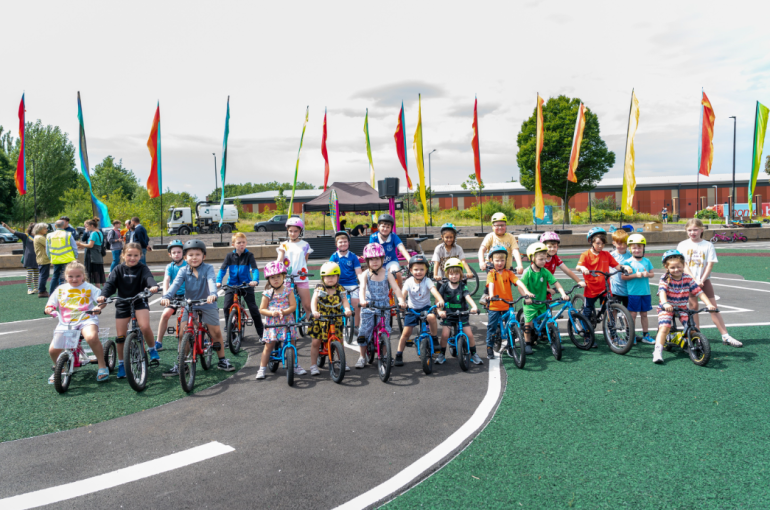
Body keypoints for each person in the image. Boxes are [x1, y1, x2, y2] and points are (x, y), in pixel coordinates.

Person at [160, 239, 235, 371]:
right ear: (185, 257)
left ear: (203, 256)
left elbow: (212, 281)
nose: (194, 258)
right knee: (184, 333)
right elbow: (175, 284)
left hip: (207, 303)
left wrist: (213, 294)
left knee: (216, 332)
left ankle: (222, 360)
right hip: (190, 304)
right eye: (190, 255)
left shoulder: (208, 268)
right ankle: (182, 364)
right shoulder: (183, 270)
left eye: (197, 254)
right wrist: (166, 296)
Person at [97, 243, 160, 379]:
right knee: (120, 337)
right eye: (129, 255)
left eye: (136, 255)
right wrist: (104, 295)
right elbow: (110, 284)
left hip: (139, 301)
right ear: (123, 255)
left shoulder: (142, 268)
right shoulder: (118, 269)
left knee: (144, 326)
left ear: (140, 256)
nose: (132, 258)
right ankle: (121, 364)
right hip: (123, 303)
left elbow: (148, 278)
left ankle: (152, 348)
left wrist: (153, 286)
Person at [677, 218, 742, 347]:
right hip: (689, 281)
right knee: (693, 308)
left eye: (695, 229)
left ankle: (725, 336)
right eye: (690, 230)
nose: (693, 232)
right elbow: (683, 264)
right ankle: (697, 334)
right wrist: (694, 280)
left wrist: (701, 279)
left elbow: (709, 265)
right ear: (686, 231)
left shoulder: (708, 245)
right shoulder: (682, 245)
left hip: (704, 281)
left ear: (702, 230)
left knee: (713, 307)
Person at [44, 261, 110, 383]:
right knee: (53, 350)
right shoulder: (60, 289)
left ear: (83, 276)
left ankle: (102, 365)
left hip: (86, 319)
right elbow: (51, 303)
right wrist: (49, 308)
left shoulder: (89, 288)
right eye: (70, 276)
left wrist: (98, 307)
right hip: (66, 322)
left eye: (78, 276)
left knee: (91, 337)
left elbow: (102, 300)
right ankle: (61, 370)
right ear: (65, 276)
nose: (74, 279)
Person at [653, 250, 717, 364]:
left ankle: (696, 344)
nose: (676, 270)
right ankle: (658, 351)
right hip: (666, 307)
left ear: (683, 265)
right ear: (666, 267)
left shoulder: (687, 278)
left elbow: (699, 292)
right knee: (664, 327)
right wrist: (665, 303)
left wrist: (709, 304)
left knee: (692, 327)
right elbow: (662, 291)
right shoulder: (665, 278)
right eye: (672, 267)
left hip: (682, 307)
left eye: (679, 267)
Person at [575, 227, 631, 345]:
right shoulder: (585, 255)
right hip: (591, 289)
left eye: (603, 243)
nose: (601, 246)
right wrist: (583, 268)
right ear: (591, 242)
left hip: (605, 288)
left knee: (609, 311)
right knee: (587, 312)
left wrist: (624, 268)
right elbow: (578, 266)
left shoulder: (606, 254)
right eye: (598, 243)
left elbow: (616, 265)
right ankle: (587, 335)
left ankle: (613, 336)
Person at [357, 243, 405, 369]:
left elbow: (395, 288)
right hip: (368, 304)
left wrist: (401, 300)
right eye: (371, 259)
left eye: (377, 258)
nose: (375, 262)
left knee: (386, 330)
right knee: (364, 331)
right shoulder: (365, 274)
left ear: (382, 259)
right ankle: (362, 357)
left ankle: (384, 355)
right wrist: (362, 300)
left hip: (383, 306)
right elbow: (362, 288)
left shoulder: (387, 273)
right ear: (367, 260)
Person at [394, 255, 444, 367]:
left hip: (425, 308)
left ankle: (434, 338)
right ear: (410, 270)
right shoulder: (408, 282)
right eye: (416, 269)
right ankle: (399, 354)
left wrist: (440, 300)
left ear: (426, 270)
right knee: (406, 333)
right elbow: (403, 294)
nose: (419, 272)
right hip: (412, 309)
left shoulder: (428, 281)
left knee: (431, 317)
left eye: (422, 269)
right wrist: (402, 302)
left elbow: (434, 291)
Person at [485, 245, 533, 359]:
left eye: (502, 260)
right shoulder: (491, 273)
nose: (500, 263)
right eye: (497, 260)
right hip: (495, 305)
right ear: (491, 260)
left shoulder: (509, 273)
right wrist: (491, 295)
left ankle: (510, 346)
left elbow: (518, 282)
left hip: (508, 304)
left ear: (506, 260)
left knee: (512, 326)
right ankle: (489, 347)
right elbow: (491, 284)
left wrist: (526, 292)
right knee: (491, 327)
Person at [520, 243, 569, 354]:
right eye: (540, 259)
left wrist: (562, 293)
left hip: (542, 302)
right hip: (530, 304)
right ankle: (527, 344)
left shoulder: (545, 272)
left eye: (545, 259)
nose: (544, 261)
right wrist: (526, 296)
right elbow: (520, 287)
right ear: (532, 258)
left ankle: (555, 341)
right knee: (528, 325)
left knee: (550, 322)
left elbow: (556, 283)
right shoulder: (527, 272)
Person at [256, 261, 300, 380]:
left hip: (287, 322)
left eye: (278, 277)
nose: (276, 279)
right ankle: (262, 368)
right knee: (268, 346)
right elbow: (262, 309)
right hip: (273, 324)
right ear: (268, 279)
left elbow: (293, 306)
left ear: (283, 277)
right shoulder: (268, 293)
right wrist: (272, 313)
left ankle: (295, 366)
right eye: (272, 277)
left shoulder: (288, 290)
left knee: (291, 344)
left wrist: (284, 312)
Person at [217, 232, 264, 342]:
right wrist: (218, 281)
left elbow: (255, 269)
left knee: (253, 308)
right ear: (233, 244)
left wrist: (255, 280)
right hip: (232, 285)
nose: (241, 245)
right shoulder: (229, 256)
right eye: (239, 243)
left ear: (246, 243)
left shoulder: (249, 255)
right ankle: (229, 330)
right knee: (226, 307)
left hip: (246, 285)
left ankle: (262, 334)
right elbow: (222, 270)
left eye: (243, 242)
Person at [308, 262, 353, 375]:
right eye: (327, 276)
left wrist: (347, 309)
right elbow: (314, 300)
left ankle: (341, 361)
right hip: (321, 318)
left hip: (335, 317)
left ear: (338, 276)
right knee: (316, 342)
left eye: (333, 276)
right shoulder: (320, 288)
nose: (330, 279)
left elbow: (344, 301)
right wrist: (314, 311)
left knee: (339, 340)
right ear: (323, 277)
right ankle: (313, 365)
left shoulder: (340, 289)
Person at [436, 258, 482, 365]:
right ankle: (442, 354)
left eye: (456, 273)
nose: (454, 276)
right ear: (447, 274)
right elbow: (438, 299)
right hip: (449, 315)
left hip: (462, 314)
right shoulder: (444, 286)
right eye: (451, 274)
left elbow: (468, 297)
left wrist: (474, 306)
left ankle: (474, 354)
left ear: (460, 274)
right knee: (445, 335)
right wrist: (439, 311)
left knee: (469, 335)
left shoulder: (462, 286)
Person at [156, 241, 186, 375]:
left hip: (188, 295)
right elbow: (167, 280)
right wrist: (165, 296)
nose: (177, 254)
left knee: (188, 318)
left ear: (183, 253)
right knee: (165, 315)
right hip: (174, 296)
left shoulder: (187, 264)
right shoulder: (170, 266)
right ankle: (159, 342)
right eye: (174, 252)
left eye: (179, 252)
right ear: (170, 254)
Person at [277, 217, 313, 323]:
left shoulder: (305, 245)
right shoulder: (284, 245)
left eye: (296, 231)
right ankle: (286, 329)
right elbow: (279, 260)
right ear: (287, 231)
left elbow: (305, 261)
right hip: (287, 278)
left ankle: (312, 327)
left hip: (301, 277)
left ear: (300, 231)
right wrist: (277, 269)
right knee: (286, 305)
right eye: (290, 231)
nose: (293, 233)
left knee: (307, 305)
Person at [621, 234, 655, 344]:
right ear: (630, 248)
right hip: (633, 293)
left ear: (643, 248)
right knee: (633, 315)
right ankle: (632, 336)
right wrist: (636, 275)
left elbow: (652, 274)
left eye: (639, 247)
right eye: (634, 247)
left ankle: (646, 335)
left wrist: (647, 274)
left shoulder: (647, 261)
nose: (637, 250)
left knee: (644, 314)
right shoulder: (627, 262)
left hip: (645, 292)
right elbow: (623, 277)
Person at [329, 230, 362, 337]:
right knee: (334, 305)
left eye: (345, 241)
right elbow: (329, 273)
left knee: (357, 304)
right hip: (338, 285)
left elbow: (358, 273)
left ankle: (356, 326)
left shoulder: (353, 257)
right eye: (340, 242)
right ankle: (336, 324)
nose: (343, 244)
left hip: (352, 284)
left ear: (348, 243)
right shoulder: (334, 257)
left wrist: (362, 283)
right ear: (336, 244)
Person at [539, 232, 585, 298]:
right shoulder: (539, 260)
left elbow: (567, 271)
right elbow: (535, 279)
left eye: (555, 247)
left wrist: (579, 281)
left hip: (545, 285)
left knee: (549, 305)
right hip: (536, 286)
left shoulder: (555, 258)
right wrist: (548, 289)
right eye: (549, 247)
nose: (552, 249)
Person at [369, 214, 411, 286]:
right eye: (383, 226)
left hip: (391, 261)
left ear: (391, 228)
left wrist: (410, 260)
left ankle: (400, 294)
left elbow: (401, 248)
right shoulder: (373, 237)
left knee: (397, 273)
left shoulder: (393, 236)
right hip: (378, 262)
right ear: (378, 226)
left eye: (388, 227)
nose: (385, 229)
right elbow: (372, 252)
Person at [3, 221, 39, 294]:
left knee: (36, 273)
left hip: (37, 257)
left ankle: (36, 288)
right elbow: (15, 232)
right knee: (30, 273)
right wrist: (7, 227)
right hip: (29, 257)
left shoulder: (39, 236)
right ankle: (29, 289)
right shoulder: (26, 236)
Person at [46, 220, 78, 294]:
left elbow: (47, 250)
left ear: (55, 226)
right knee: (63, 277)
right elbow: (74, 247)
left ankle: (51, 294)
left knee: (55, 276)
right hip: (67, 259)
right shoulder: (68, 234)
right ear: (64, 226)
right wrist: (75, 257)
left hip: (55, 259)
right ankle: (62, 293)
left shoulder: (49, 235)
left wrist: (50, 258)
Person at [77, 219, 105, 288]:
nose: (86, 228)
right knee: (99, 274)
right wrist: (83, 246)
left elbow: (90, 245)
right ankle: (105, 290)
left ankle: (98, 291)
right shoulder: (99, 232)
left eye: (87, 226)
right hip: (98, 255)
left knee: (95, 275)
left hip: (92, 256)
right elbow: (96, 244)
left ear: (92, 225)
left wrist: (80, 244)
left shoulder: (93, 233)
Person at [609, 230, 631, 308]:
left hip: (629, 289)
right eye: (619, 243)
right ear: (614, 243)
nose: (622, 246)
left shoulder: (631, 254)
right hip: (615, 289)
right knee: (613, 310)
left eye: (625, 243)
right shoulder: (611, 255)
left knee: (629, 312)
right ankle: (611, 320)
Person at [33, 223, 51, 298]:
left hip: (41, 258)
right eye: (45, 228)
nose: (46, 230)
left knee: (43, 275)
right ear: (40, 230)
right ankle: (42, 291)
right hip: (44, 259)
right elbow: (49, 245)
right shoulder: (40, 237)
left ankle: (42, 290)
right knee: (44, 275)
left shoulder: (38, 237)